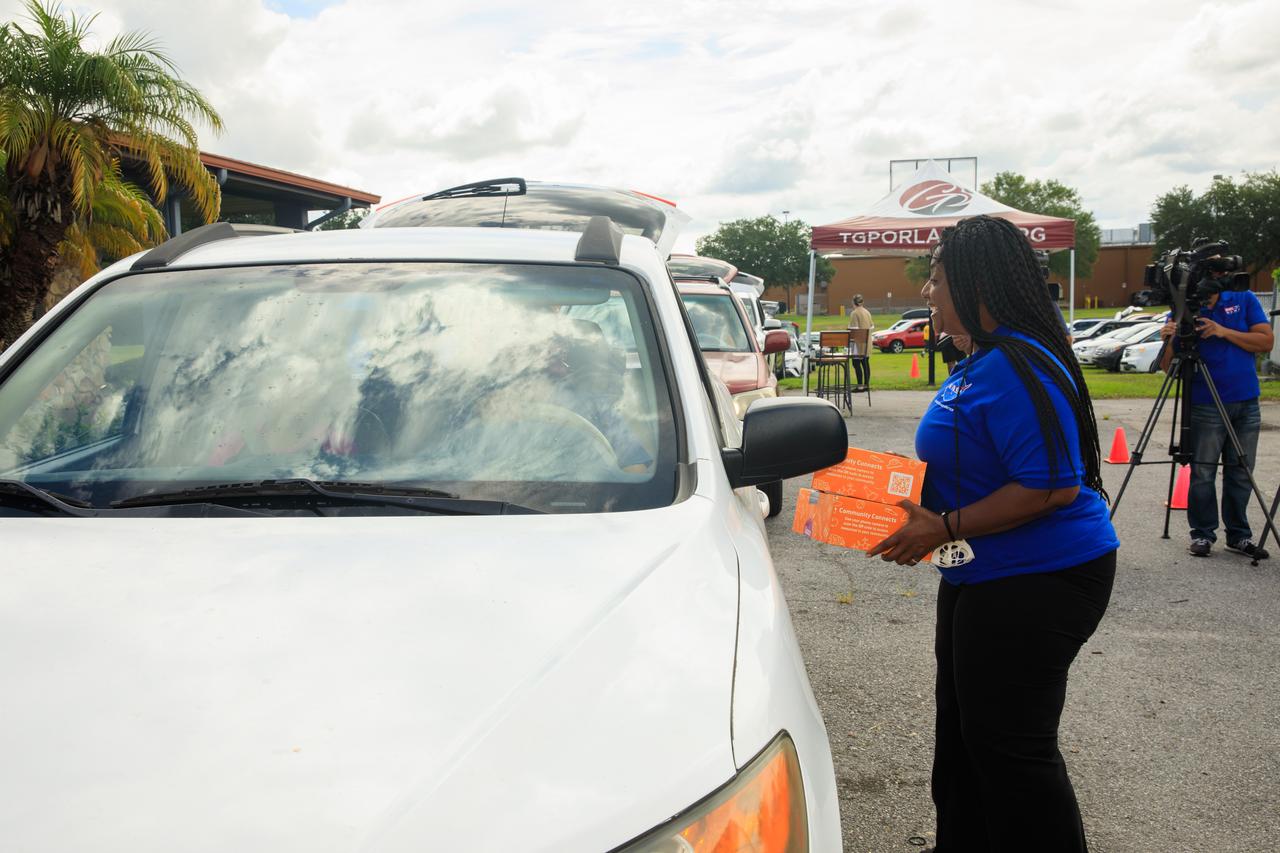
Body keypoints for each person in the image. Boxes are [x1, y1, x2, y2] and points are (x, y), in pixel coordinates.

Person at [868, 215, 1120, 853]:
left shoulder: (1017, 363)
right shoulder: (984, 357)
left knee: (1012, 750)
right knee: (962, 733)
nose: (927, 291)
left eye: (936, 278)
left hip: (1039, 579)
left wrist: (942, 526)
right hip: (979, 572)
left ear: (976, 284)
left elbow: (1050, 487)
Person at [1158, 266, 1273, 559]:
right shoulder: (1183, 307)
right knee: (1203, 473)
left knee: (1241, 471)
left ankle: (1239, 535)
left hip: (1246, 400)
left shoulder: (1242, 297)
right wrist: (1168, 338)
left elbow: (1266, 341)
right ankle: (1202, 534)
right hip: (1205, 403)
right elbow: (1167, 368)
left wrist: (1222, 331)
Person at [846, 294, 875, 390]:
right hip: (867, 343)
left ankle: (860, 386)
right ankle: (866, 385)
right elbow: (872, 326)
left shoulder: (854, 313)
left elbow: (854, 330)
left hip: (858, 344)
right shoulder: (867, 312)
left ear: (853, 302)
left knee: (856, 363)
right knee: (865, 363)